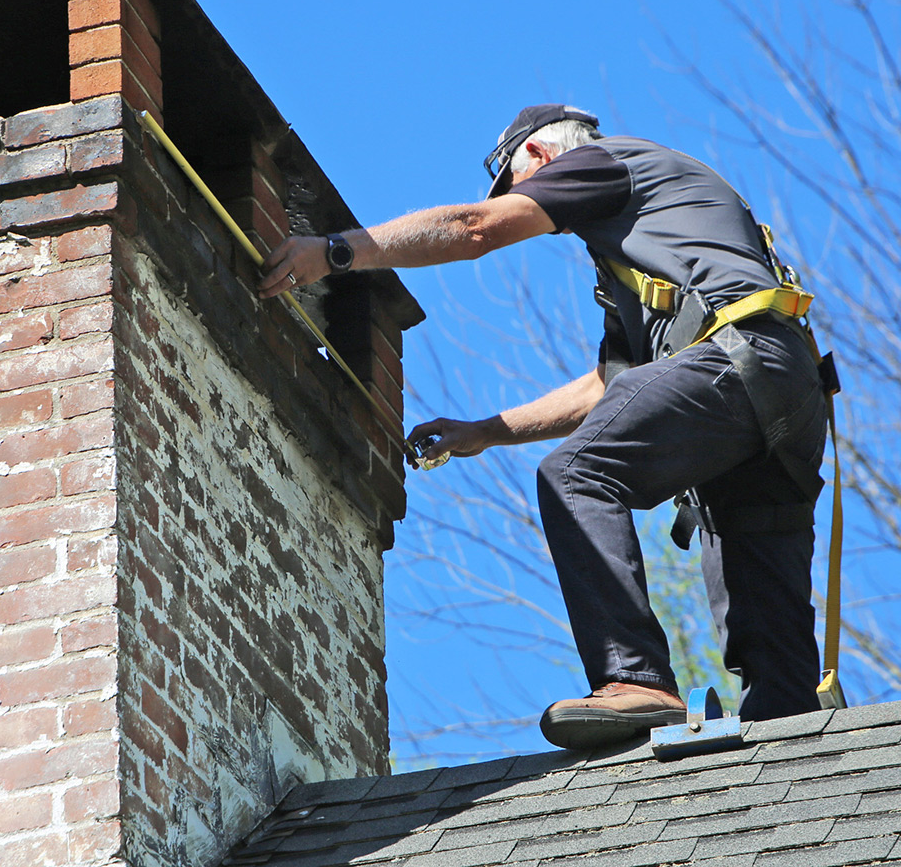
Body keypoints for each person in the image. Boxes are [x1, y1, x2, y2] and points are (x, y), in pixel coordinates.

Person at [258, 104, 828, 750]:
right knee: (773, 668)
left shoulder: (603, 163)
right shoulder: (640, 258)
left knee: (577, 475)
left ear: (538, 157)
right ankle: (798, 757)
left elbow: (475, 229)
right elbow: (609, 384)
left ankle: (634, 678)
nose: (522, 200)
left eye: (516, 185)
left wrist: (336, 252)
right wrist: (484, 432)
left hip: (737, 361)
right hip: (780, 395)